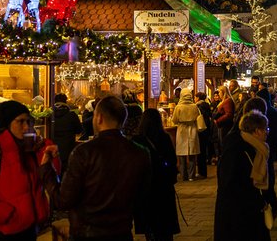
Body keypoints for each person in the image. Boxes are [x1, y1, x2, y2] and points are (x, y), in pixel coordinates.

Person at [40, 95, 152, 241]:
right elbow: (142, 198)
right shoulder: (140, 153)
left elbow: (63, 200)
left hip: (87, 233)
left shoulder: (84, 152)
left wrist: (46, 169)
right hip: (121, 233)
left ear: (99, 118)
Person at [0, 100, 58, 240]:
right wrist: (7, 214)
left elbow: (51, 178)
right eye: (20, 122)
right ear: (7, 124)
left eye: (29, 121)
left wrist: (49, 154)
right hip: (3, 232)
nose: (26, 127)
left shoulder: (30, 148)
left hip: (30, 228)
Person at [214, 110, 271, 241]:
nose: (267, 132)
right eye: (265, 129)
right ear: (256, 131)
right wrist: (253, 198)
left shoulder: (257, 149)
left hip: (250, 211)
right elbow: (229, 183)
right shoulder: (236, 150)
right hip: (237, 215)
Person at [133, 109, 180, 241]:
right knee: (165, 229)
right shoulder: (165, 137)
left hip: (146, 189)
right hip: (164, 187)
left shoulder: (138, 140)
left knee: (150, 228)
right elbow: (172, 160)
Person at [172, 88, 201, 181]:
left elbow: (174, 120)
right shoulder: (194, 106)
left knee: (181, 154)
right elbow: (198, 117)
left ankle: (183, 175)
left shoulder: (178, 107)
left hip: (181, 130)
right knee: (192, 153)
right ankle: (191, 175)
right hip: (192, 128)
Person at [51, 93, 82, 174]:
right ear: (66, 102)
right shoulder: (72, 115)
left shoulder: (51, 115)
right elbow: (79, 130)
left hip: (53, 150)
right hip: (68, 150)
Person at [195, 92, 213, 178]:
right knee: (204, 149)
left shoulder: (198, 106)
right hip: (207, 129)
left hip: (200, 129)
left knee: (200, 151)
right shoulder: (207, 104)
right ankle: (204, 172)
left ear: (198, 98)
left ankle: (201, 172)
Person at [213, 85, 234, 154]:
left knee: (224, 144)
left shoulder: (228, 101)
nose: (218, 94)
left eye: (219, 92)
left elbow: (228, 114)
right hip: (222, 126)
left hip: (224, 126)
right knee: (221, 144)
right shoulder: (224, 101)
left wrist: (218, 121)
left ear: (223, 92)